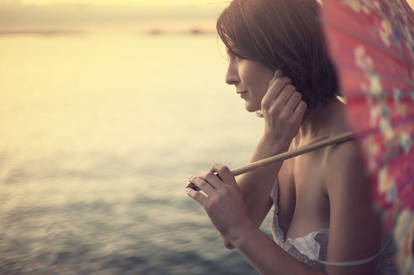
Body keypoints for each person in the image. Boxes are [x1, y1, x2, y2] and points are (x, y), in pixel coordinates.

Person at [185, 0, 395, 274]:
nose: (229, 77)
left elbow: (238, 229)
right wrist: (272, 140)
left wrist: (242, 232)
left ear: (283, 55)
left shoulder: (350, 153)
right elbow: (230, 233)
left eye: (239, 56)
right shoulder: (287, 134)